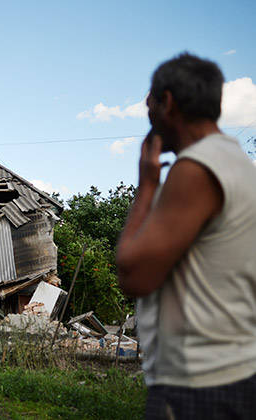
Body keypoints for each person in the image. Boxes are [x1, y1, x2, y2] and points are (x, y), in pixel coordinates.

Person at [116, 52, 256, 419]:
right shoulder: (237, 164)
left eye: (149, 103)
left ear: (169, 103)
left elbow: (134, 276)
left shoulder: (196, 168)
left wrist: (147, 185)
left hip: (198, 386)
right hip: (233, 373)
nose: (146, 114)